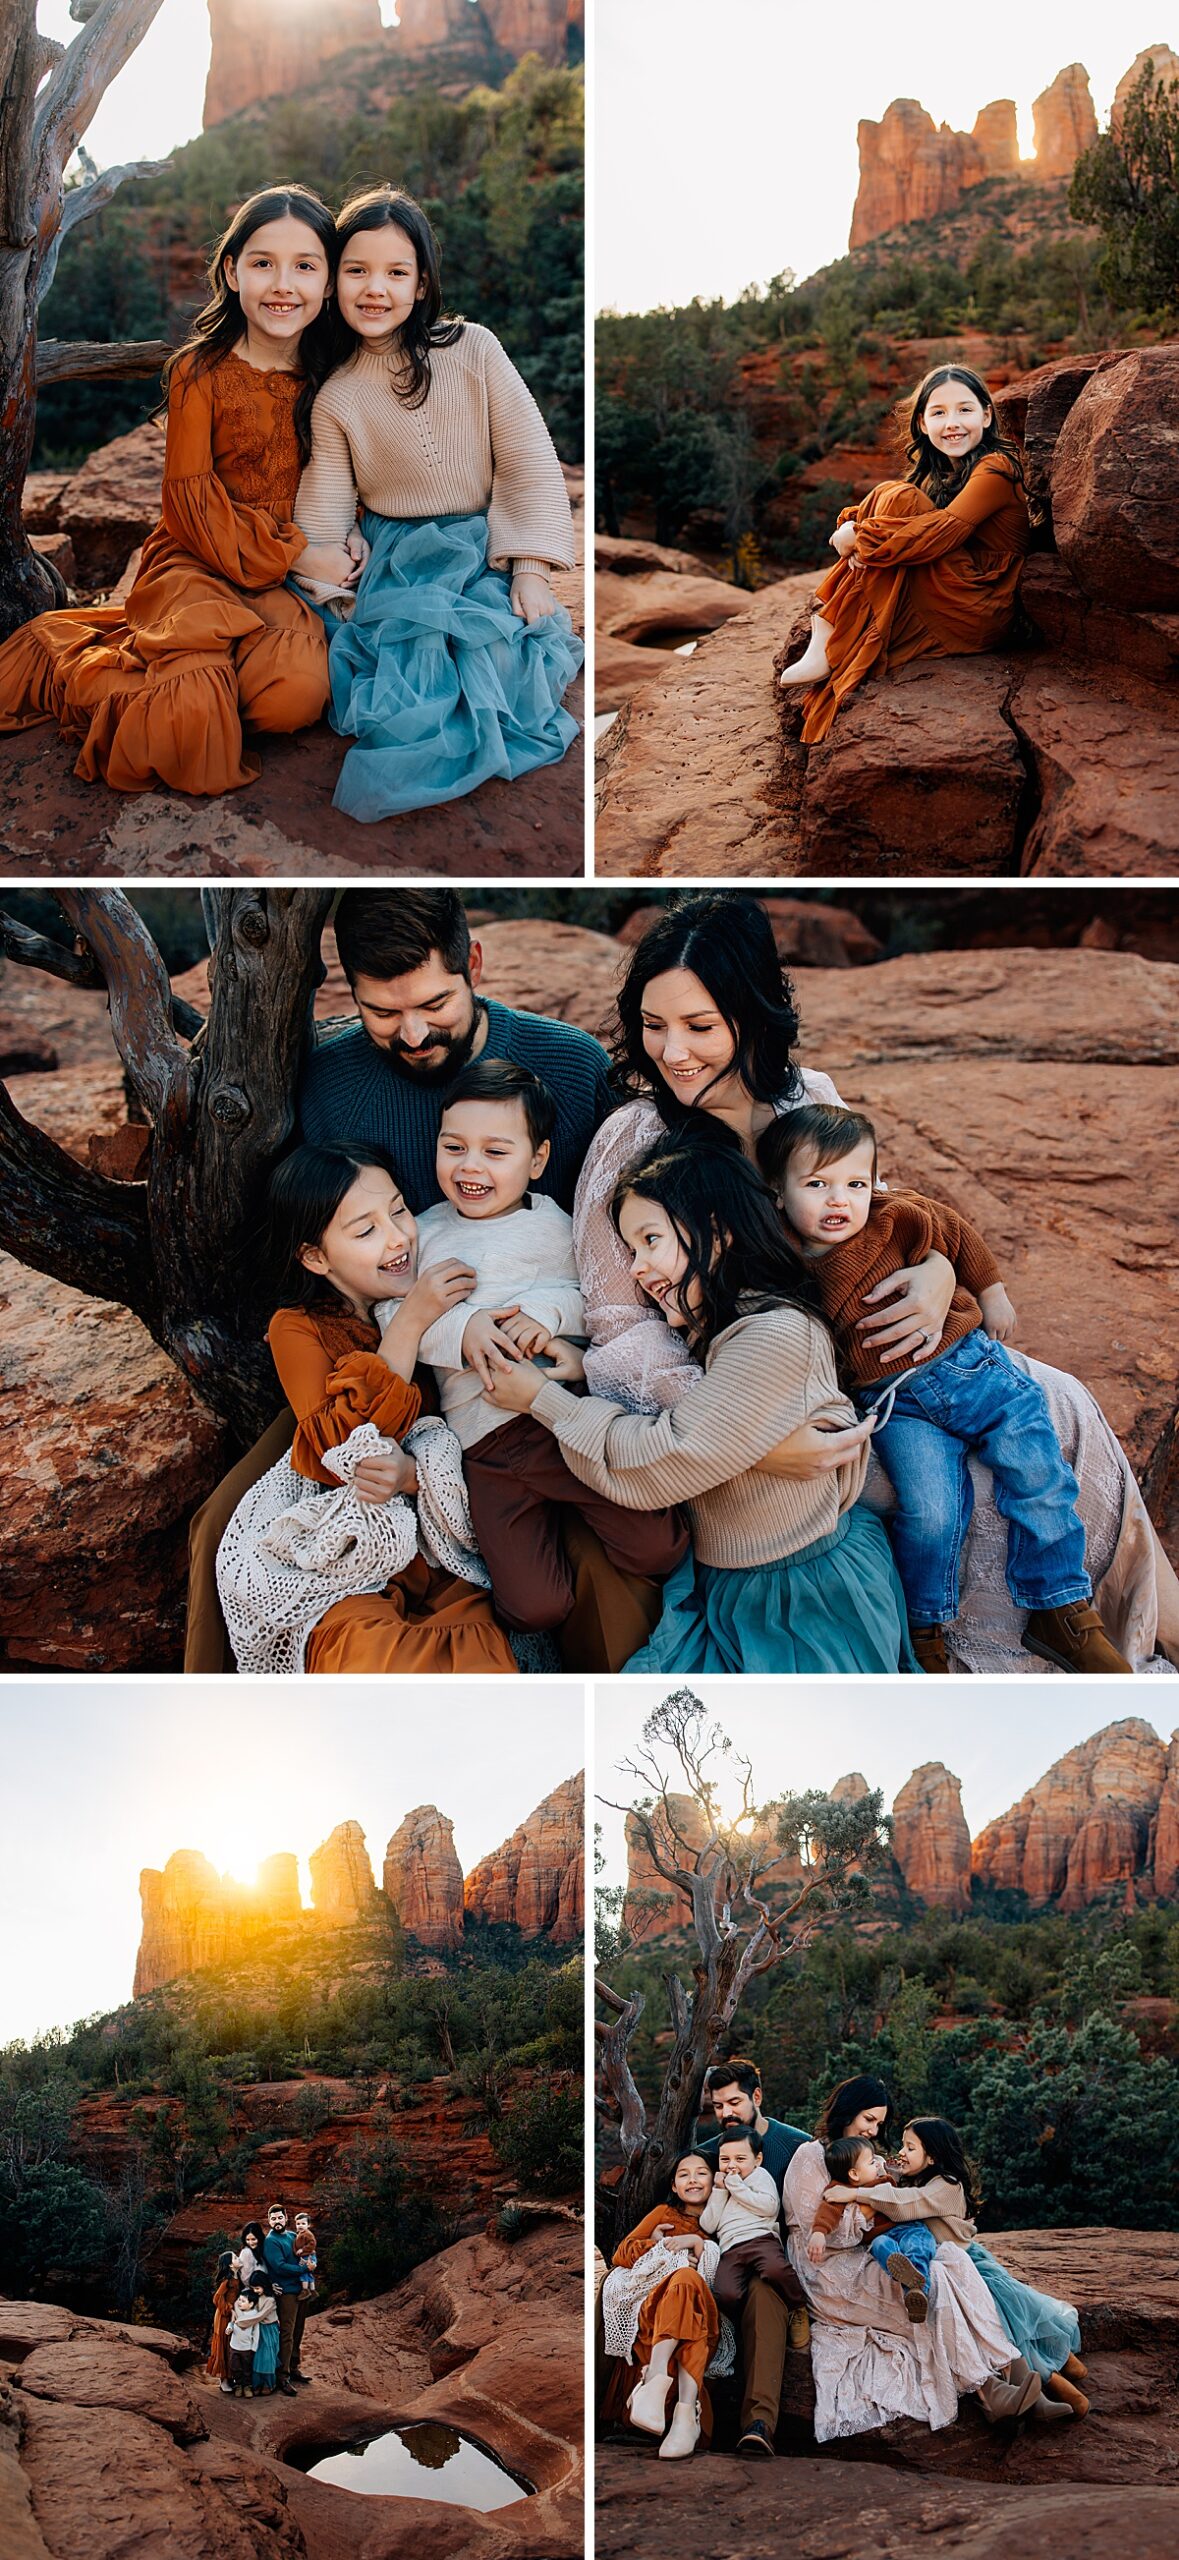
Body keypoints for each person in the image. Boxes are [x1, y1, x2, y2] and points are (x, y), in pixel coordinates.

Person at [573, 891, 1171, 1676]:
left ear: (751, 1017)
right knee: (958, 1483)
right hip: (773, 1403)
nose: (672, 1052)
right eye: (653, 1026)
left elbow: (883, 1219)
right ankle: (982, 1655)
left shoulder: (808, 1100)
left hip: (894, 1360)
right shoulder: (635, 1140)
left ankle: (1113, 1629)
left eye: (698, 1026)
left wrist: (936, 1273)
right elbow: (619, 1332)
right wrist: (750, 1439)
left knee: (1060, 1402)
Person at [186, 890, 648, 1678]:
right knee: (220, 1527)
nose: (411, 1032)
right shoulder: (328, 1082)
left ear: (473, 964)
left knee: (612, 1575)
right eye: (380, 1011)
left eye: (434, 1002)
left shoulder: (568, 1064)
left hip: (535, 1356)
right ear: (350, 992)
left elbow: (641, 1194)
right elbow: (309, 1211)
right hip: (371, 1352)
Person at [484, 1137, 919, 1673]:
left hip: (805, 1596)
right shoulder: (722, 1334)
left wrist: (543, 1401)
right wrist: (586, 1368)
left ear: (717, 1229)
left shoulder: (774, 1333)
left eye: (650, 1241)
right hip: (734, 1583)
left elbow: (665, 1458)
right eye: (632, 1250)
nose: (640, 1268)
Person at [759, 1104, 1132, 1676]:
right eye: (818, 1184)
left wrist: (992, 1291)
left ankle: (1059, 1606)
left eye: (855, 1183)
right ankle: (926, 1627)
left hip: (970, 1369)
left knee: (1036, 1469)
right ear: (778, 1193)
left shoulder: (895, 1216)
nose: (840, 1200)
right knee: (930, 1512)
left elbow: (954, 1232)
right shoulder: (782, 1262)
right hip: (897, 1405)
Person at [0, 188, 341, 791]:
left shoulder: (335, 368)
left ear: (330, 283)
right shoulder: (198, 370)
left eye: (305, 266)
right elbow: (189, 502)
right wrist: (298, 552)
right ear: (232, 272)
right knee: (190, 716)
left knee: (297, 695)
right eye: (263, 263)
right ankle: (70, 664)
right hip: (197, 556)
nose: (283, 283)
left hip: (277, 579)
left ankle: (191, 666)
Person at [292, 187, 581, 821]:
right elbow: (328, 500)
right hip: (397, 553)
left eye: (397, 273)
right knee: (406, 690)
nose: (376, 288)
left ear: (422, 285)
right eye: (357, 270)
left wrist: (530, 566)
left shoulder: (473, 348)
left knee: (503, 655)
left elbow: (527, 455)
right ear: (335, 279)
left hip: (479, 546)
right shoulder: (336, 392)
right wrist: (330, 562)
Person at [407, 1058, 688, 1632]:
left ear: (537, 1160)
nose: (471, 1167)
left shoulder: (554, 1226)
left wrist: (545, 1313)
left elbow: (588, 1291)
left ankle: (594, 1525)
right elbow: (396, 1314)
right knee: (535, 1608)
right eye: (453, 1147)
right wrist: (462, 1328)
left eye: (495, 1151)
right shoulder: (424, 1231)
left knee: (656, 1549)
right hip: (481, 1446)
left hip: (562, 1424)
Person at [239, 1141, 516, 1675]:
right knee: (375, 1660)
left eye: (398, 1211)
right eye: (365, 1231)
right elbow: (331, 1449)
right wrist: (411, 1322)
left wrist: (416, 1475)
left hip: (440, 1540)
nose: (397, 1238)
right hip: (342, 1549)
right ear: (315, 1257)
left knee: (477, 1660)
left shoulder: (442, 1283)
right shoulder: (298, 1327)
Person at [784, 2076, 1050, 2442]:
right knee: (935, 2282)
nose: (875, 2130)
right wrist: (866, 2203)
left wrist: (878, 2182)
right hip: (828, 2270)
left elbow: (892, 2189)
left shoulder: (867, 2157)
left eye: (879, 2123)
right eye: (869, 2119)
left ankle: (1009, 2373)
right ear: (847, 2111)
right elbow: (828, 2231)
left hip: (865, 2254)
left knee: (951, 2260)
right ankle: (992, 2393)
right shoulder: (811, 2157)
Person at [779, 364, 1030, 744]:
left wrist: (862, 539)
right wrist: (861, 534)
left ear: (987, 414)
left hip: (981, 605)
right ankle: (827, 633)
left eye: (965, 409)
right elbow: (921, 531)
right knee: (895, 493)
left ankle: (830, 632)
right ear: (922, 424)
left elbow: (945, 533)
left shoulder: (995, 467)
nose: (953, 423)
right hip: (956, 587)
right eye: (939, 413)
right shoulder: (944, 471)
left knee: (900, 499)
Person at [823, 2116, 1088, 2417]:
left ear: (933, 2156)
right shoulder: (921, 2179)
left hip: (971, 2264)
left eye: (910, 2147)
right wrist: (894, 2168)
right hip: (952, 2261)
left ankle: (1054, 2380)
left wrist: (856, 2192)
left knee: (1004, 2322)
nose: (902, 2152)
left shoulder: (946, 2185)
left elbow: (907, 2202)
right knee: (1000, 2324)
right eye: (902, 2145)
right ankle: (1040, 2391)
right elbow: (900, 2192)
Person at [692, 2058, 812, 2458]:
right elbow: (698, 2209)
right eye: (718, 2106)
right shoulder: (710, 2155)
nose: (726, 2114)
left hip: (776, 2254)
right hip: (727, 2253)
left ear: (757, 2097)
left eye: (735, 2102)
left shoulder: (796, 2146)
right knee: (720, 2292)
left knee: (764, 2298)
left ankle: (758, 2424)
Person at [600, 2151, 722, 2461]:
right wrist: (657, 2243)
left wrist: (700, 2245)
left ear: (716, 2180)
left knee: (686, 2279)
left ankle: (654, 2379)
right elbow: (622, 2254)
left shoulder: (724, 2221)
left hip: (702, 2309)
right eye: (684, 2174)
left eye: (701, 2173)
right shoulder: (663, 2213)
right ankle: (686, 2416)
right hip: (654, 2306)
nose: (692, 2179)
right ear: (674, 2184)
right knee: (682, 2277)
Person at [697, 2129, 797, 2321]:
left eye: (740, 2159)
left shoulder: (760, 2175)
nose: (731, 2166)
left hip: (761, 2239)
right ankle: (738, 2327)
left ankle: (796, 2306)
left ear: (757, 2159)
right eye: (725, 2160)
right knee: (725, 2293)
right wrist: (719, 2191)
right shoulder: (721, 2187)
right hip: (730, 2248)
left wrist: (735, 2185)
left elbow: (769, 2207)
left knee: (776, 2269)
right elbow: (708, 2225)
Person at [261, 2203, 310, 2395]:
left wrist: (309, 2263)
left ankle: (294, 2366)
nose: (277, 2222)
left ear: (286, 2217)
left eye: (280, 2218)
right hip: (286, 2293)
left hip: (301, 2289)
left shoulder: (291, 2236)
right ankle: (282, 2376)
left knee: (299, 2328)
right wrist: (301, 2269)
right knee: (287, 2333)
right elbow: (279, 2266)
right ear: (269, 2221)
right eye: (273, 2219)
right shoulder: (270, 2241)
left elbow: (305, 2252)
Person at [206, 2251, 237, 2392]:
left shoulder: (238, 2278)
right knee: (223, 2344)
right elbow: (217, 2298)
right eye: (236, 2257)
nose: (239, 2258)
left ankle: (230, 2377)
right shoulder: (227, 2280)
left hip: (234, 2316)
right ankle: (223, 2381)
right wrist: (229, 2309)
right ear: (230, 2264)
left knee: (231, 2344)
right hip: (224, 2316)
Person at [226, 2281, 263, 2396]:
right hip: (234, 2346)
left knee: (247, 2368)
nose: (240, 2303)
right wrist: (229, 2328)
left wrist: (254, 2347)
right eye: (239, 2300)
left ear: (251, 2304)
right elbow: (231, 2323)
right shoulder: (237, 2313)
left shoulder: (254, 2316)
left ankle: (247, 2387)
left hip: (247, 2348)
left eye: (243, 2301)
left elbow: (256, 2332)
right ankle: (238, 2385)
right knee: (235, 2367)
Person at [251, 2268, 282, 2393]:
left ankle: (269, 2384)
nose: (255, 2290)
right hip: (259, 2329)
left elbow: (260, 2315)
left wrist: (243, 2322)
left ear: (264, 2285)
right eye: (253, 2288)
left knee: (268, 2357)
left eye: (257, 2288)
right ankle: (257, 2383)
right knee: (258, 2357)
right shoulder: (256, 2297)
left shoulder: (271, 2300)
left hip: (269, 2329)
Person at [293, 2213, 318, 2295]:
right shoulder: (300, 2233)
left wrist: (302, 2250)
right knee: (308, 2273)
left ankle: (305, 2290)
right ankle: (313, 2290)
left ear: (308, 2225)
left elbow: (312, 2243)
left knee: (303, 2272)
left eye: (303, 2224)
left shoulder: (307, 2234)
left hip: (308, 2255)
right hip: (307, 2255)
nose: (300, 2226)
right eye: (298, 2224)